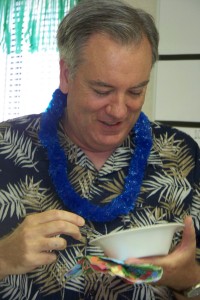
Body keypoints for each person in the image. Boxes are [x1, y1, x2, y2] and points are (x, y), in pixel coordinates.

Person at [0, 0, 199, 299]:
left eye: (135, 91)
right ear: (66, 75)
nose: (119, 110)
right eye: (102, 91)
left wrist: (187, 278)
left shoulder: (180, 154)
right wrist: (3, 257)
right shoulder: (7, 147)